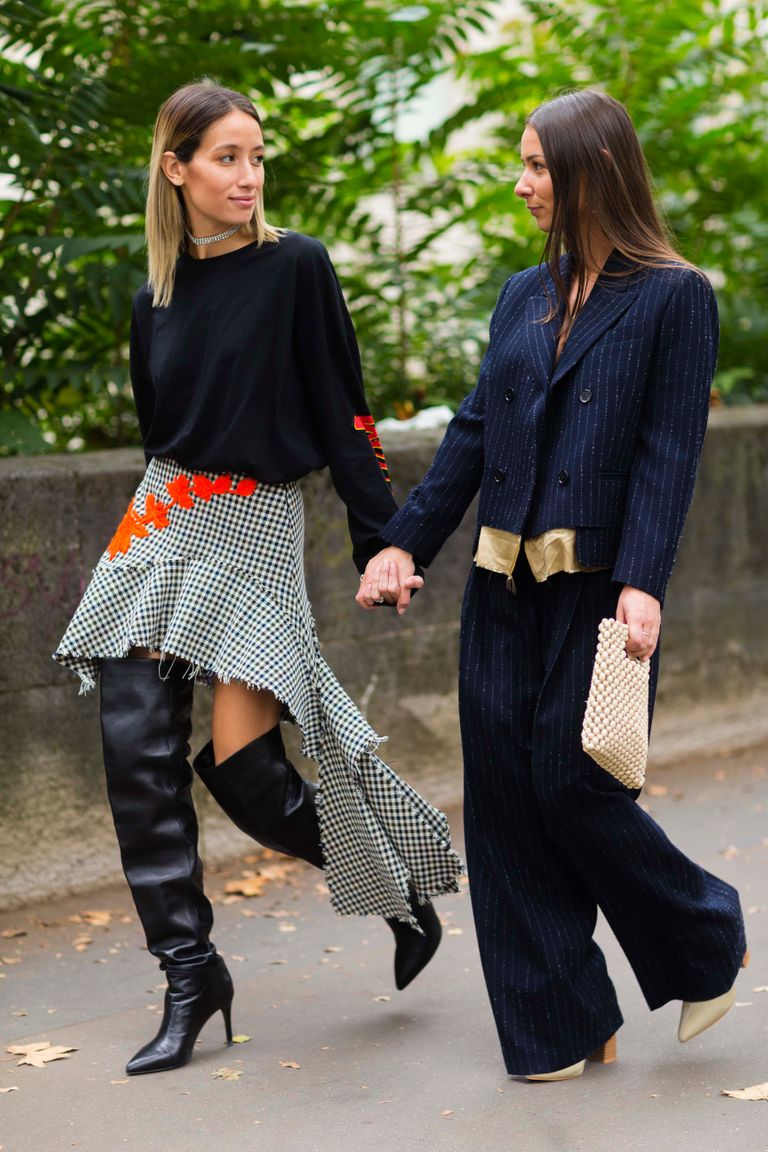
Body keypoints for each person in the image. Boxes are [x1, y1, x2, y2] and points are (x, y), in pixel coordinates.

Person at [54, 81, 461, 1077]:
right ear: (176, 167)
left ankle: (394, 890)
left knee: (245, 775)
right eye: (226, 157)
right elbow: (162, 427)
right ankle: (191, 976)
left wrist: (384, 542)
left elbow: (344, 413)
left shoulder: (296, 269)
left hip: (255, 520)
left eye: (257, 156)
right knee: (134, 738)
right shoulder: (154, 290)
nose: (246, 175)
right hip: (165, 513)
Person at [356, 89, 747, 1081]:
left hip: (600, 590)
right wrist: (406, 544)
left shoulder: (675, 295)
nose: (524, 184)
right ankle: (560, 1024)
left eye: (538, 165)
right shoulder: (520, 296)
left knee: (574, 781)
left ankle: (706, 940)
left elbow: (669, 451)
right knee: (502, 802)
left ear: (592, 172)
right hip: (501, 587)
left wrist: (644, 583)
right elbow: (474, 436)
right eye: (522, 164)